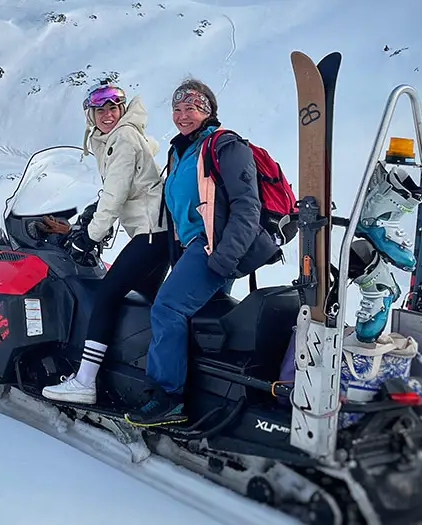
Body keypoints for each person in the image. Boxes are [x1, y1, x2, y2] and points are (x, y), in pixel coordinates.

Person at [125, 78, 282, 427]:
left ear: (207, 111)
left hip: (213, 248)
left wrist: (224, 258)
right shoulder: (180, 150)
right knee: (199, 318)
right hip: (191, 248)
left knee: (167, 308)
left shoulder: (225, 146)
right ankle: (205, 392)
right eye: (177, 109)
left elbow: (246, 207)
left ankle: (167, 397)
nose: (183, 116)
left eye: (192, 109)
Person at [39, 83, 170, 406]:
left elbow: (115, 196)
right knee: (156, 305)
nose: (108, 115)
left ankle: (85, 381)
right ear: (91, 115)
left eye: (113, 108)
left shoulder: (123, 139)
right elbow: (116, 190)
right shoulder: (117, 138)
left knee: (107, 295)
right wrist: (89, 215)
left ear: (122, 111)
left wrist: (88, 238)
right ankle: (157, 379)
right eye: (101, 110)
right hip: (160, 234)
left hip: (150, 233)